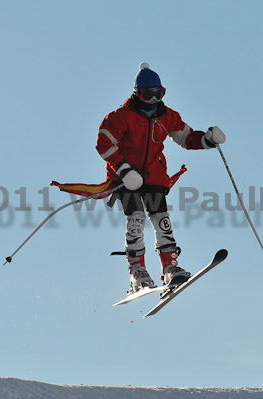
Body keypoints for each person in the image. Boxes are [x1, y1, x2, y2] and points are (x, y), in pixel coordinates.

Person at [95, 62, 226, 294]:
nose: (154, 100)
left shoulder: (166, 116)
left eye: (159, 94)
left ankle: (169, 268)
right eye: (149, 95)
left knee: (161, 219)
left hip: (153, 176)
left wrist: (207, 140)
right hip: (124, 178)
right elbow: (104, 143)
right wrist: (124, 170)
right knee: (136, 218)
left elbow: (185, 138)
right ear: (137, 94)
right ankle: (137, 271)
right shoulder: (121, 117)